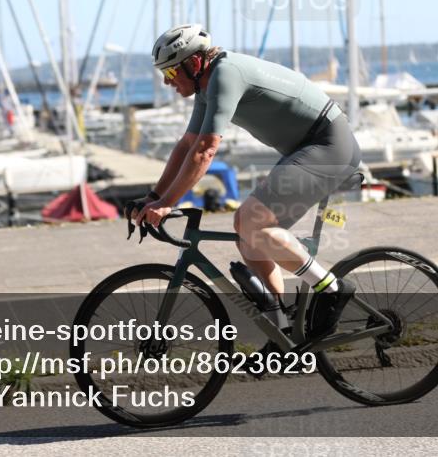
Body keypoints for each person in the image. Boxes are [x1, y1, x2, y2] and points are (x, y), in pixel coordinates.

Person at [131, 24, 362, 343]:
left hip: (330, 145)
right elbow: (186, 145)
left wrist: (167, 203)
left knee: (251, 220)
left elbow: (205, 150)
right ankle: (283, 335)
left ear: (194, 64)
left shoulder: (226, 73)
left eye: (171, 74)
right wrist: (154, 196)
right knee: (249, 236)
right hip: (305, 149)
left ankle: (331, 289)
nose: (168, 83)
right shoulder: (206, 86)